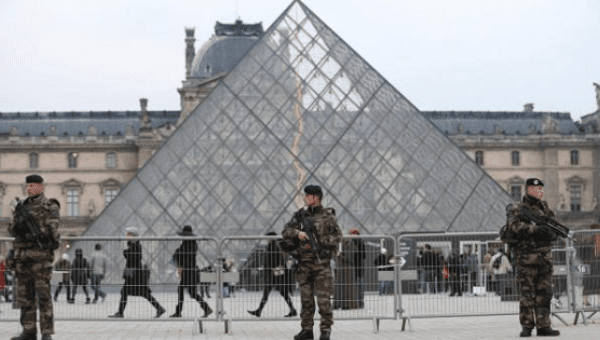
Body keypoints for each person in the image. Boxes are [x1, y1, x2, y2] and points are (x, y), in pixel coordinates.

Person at [282, 185, 343, 340]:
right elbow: (285, 231)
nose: (304, 198)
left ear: (315, 197)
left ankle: (325, 331)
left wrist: (323, 241)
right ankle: (307, 329)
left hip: (321, 264)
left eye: (307, 196)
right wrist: (298, 233)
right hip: (304, 264)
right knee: (306, 300)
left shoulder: (328, 216)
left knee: (324, 300)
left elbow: (337, 236)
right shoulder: (300, 215)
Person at [7, 174, 60, 340]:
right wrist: (19, 226)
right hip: (23, 258)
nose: (30, 189)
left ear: (41, 187)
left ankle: (46, 333)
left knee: (44, 296)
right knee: (25, 297)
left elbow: (53, 230)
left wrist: (41, 234)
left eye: (34, 186)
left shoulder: (50, 206)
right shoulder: (21, 206)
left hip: (41, 259)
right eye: (28, 186)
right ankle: (28, 331)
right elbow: (12, 229)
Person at [506, 178, 560, 337]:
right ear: (528, 190)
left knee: (545, 293)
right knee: (527, 294)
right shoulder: (517, 208)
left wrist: (551, 233)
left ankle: (544, 326)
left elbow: (554, 228)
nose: (540, 193)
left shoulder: (545, 208)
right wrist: (535, 229)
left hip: (545, 258)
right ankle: (527, 326)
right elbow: (514, 227)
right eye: (537, 190)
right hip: (526, 258)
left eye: (541, 190)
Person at [109, 227, 165, 318]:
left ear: (133, 235)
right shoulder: (132, 245)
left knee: (136, 293)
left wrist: (126, 252)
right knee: (136, 293)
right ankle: (159, 308)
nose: (126, 236)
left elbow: (134, 258)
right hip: (133, 273)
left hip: (134, 274)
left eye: (128, 234)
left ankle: (120, 313)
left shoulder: (137, 246)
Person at [248, 231, 297, 317]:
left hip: (274, 274)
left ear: (271, 238)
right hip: (277, 274)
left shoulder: (273, 246)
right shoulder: (276, 245)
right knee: (281, 293)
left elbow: (273, 260)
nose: (266, 239)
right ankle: (292, 310)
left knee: (271, 293)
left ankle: (259, 311)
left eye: (267, 237)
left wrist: (266, 268)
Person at [169, 225, 213, 318]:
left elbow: (181, 255)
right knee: (191, 292)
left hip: (189, 271)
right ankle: (206, 308)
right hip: (190, 270)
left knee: (184, 291)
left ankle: (179, 312)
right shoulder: (191, 243)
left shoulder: (188, 244)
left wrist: (177, 254)